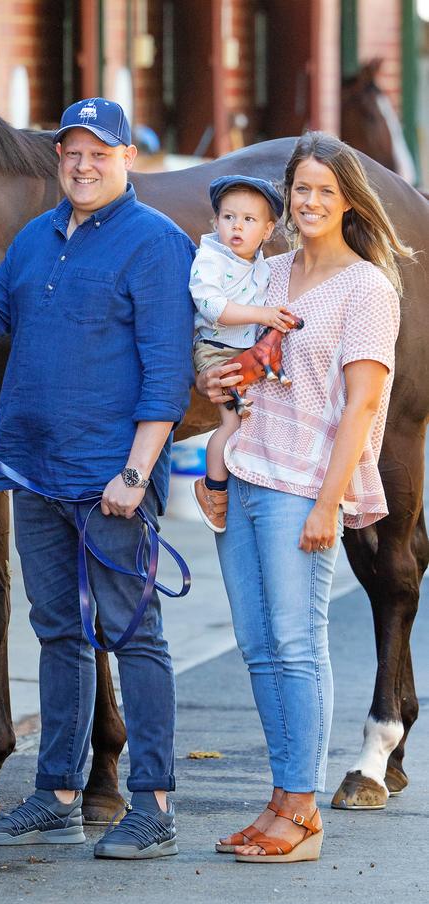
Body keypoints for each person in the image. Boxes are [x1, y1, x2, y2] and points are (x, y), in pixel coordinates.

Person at [0, 97, 195, 860]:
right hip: (34, 468)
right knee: (58, 631)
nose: (83, 165)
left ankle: (152, 805)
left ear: (126, 159)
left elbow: (168, 371)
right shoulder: (36, 239)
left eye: (98, 153)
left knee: (133, 634)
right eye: (71, 152)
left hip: (109, 477)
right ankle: (58, 793)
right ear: (58, 158)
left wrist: (137, 469)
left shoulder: (156, 243)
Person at [203, 132, 412, 863]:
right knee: (260, 649)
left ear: (349, 199)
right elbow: (243, 366)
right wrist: (217, 401)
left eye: (325, 189)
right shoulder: (270, 271)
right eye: (301, 188)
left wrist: (331, 504)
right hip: (249, 473)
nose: (311, 200)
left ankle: (305, 814)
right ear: (286, 197)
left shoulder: (367, 289)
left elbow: (361, 409)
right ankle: (283, 796)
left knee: (297, 645)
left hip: (305, 489)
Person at [189, 175, 293, 533]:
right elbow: (213, 307)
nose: (236, 226)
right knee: (231, 423)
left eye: (249, 220)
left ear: (267, 231)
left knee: (258, 415)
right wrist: (263, 315)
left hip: (244, 350)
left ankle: (249, 480)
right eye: (228, 217)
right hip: (217, 351)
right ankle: (213, 489)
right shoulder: (210, 260)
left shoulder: (263, 266)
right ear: (215, 222)